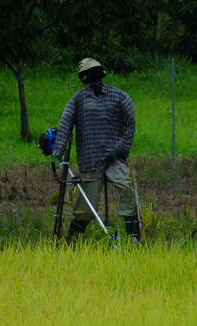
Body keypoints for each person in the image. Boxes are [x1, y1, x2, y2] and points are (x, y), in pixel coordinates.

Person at [52, 57, 141, 243]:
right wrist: (58, 152)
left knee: (127, 189)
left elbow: (130, 123)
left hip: (114, 158)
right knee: (86, 207)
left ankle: (134, 239)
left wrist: (121, 149)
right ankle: (72, 242)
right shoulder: (78, 100)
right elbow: (66, 123)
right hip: (91, 160)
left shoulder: (119, 97)